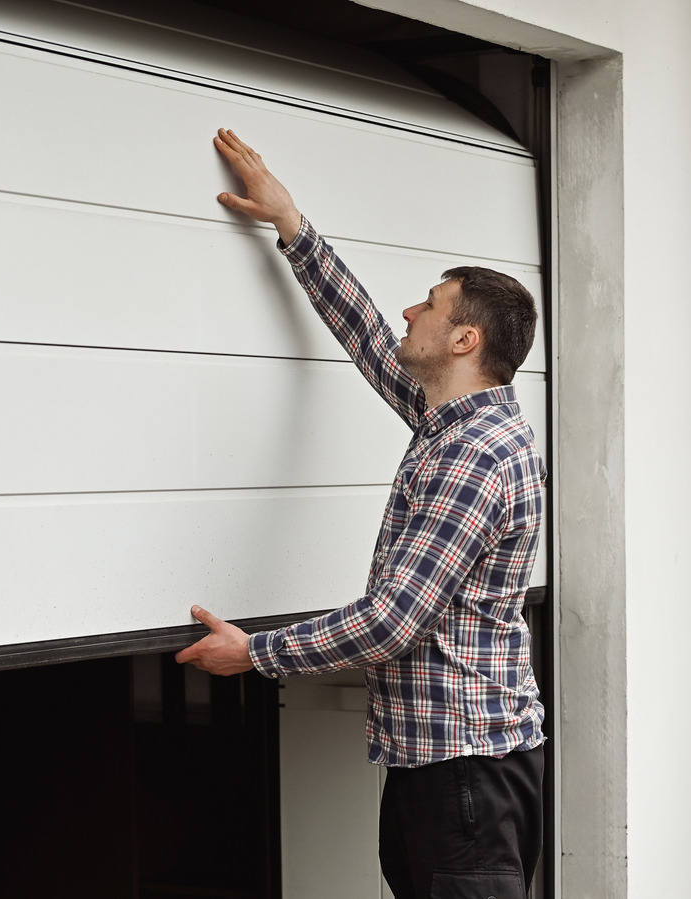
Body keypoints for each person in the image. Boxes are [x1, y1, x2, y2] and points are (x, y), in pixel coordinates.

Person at [176, 128, 546, 899]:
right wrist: (292, 226)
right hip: (442, 765)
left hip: (464, 777)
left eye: (432, 304)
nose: (410, 308)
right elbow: (374, 341)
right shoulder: (454, 420)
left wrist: (256, 653)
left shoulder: (472, 456)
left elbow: (392, 621)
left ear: (465, 338)